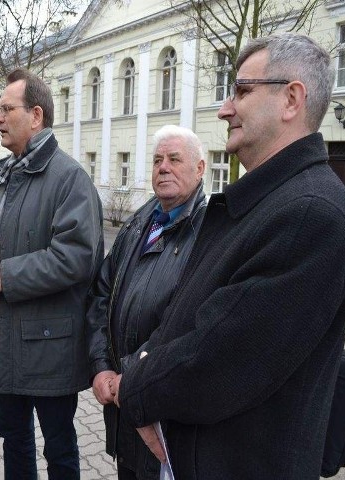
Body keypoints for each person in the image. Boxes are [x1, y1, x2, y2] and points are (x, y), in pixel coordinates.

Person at [110, 33, 345, 479]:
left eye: (242, 91)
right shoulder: (268, 202)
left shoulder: (309, 214)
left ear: (291, 99)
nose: (226, 108)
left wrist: (133, 389)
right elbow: (184, 319)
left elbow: (217, 360)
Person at [0, 68, 103, 479]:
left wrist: (4, 276)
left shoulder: (70, 178)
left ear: (36, 115)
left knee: (58, 447)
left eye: (6, 109)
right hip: (7, 339)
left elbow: (76, 257)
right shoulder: (1, 173)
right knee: (14, 438)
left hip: (51, 347)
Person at [86, 125, 207, 479]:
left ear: (200, 169)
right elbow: (100, 293)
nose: (163, 167)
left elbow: (188, 327)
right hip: (122, 402)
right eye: (157, 160)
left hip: (167, 414)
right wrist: (101, 366)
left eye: (173, 159)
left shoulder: (210, 230)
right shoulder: (140, 221)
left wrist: (134, 384)